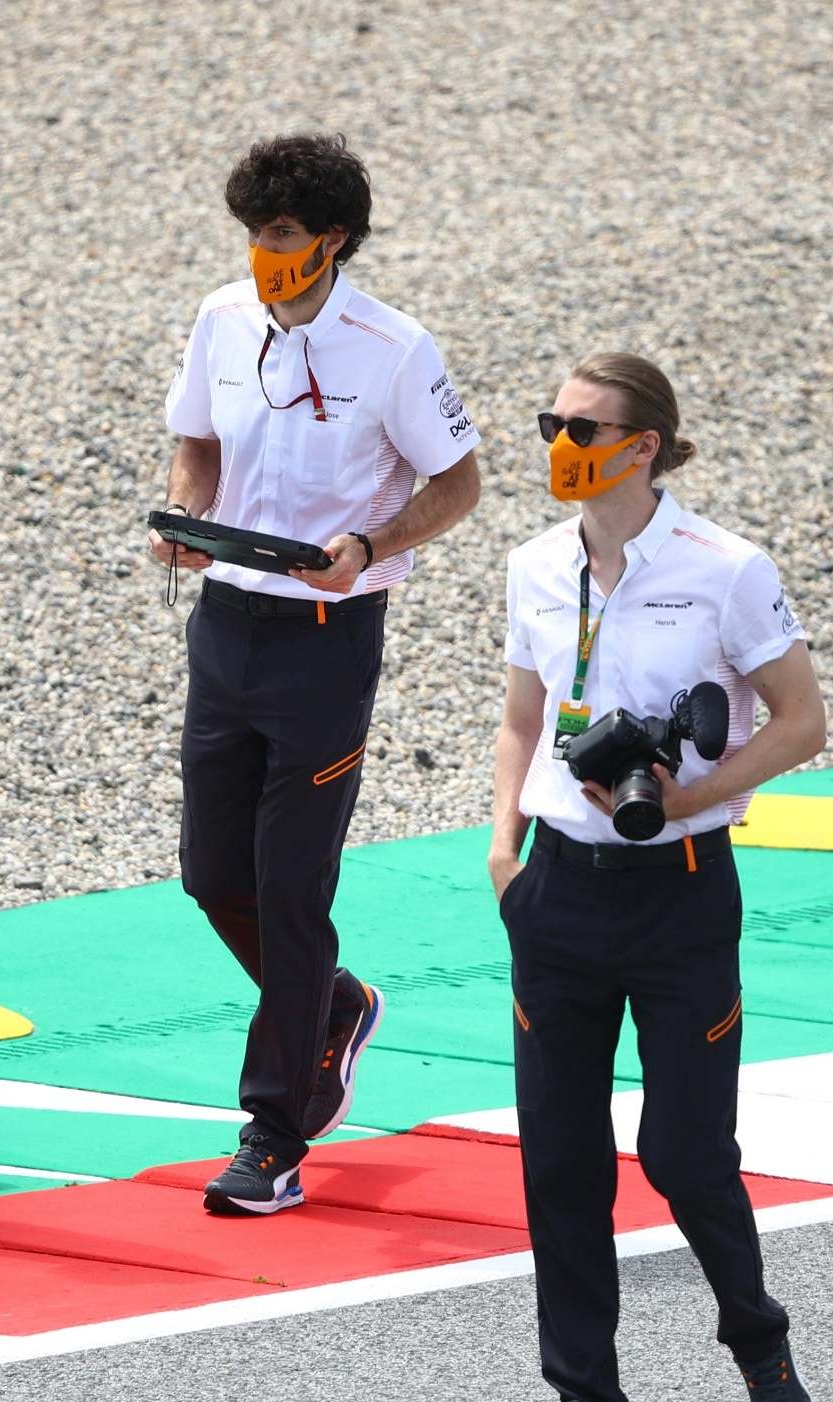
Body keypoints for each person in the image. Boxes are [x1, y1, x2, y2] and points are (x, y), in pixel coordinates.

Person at [484, 352, 830, 1402]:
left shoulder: (724, 569)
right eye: (551, 421)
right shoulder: (534, 564)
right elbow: (523, 711)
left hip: (681, 884)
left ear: (644, 445)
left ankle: (755, 1332)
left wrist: (685, 791)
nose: (560, 441)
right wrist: (501, 840)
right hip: (559, 895)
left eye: (583, 425)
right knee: (559, 1164)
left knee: (683, 1154)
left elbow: (801, 718)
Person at [150, 133, 482, 1214]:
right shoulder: (219, 318)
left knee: (292, 888)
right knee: (211, 874)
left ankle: (273, 1131)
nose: (262, 250)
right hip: (225, 622)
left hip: (329, 638)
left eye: (282, 233)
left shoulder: (393, 346)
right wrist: (188, 514)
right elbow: (193, 444)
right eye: (252, 231)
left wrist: (373, 546)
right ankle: (331, 1007)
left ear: (333, 238)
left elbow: (460, 481)